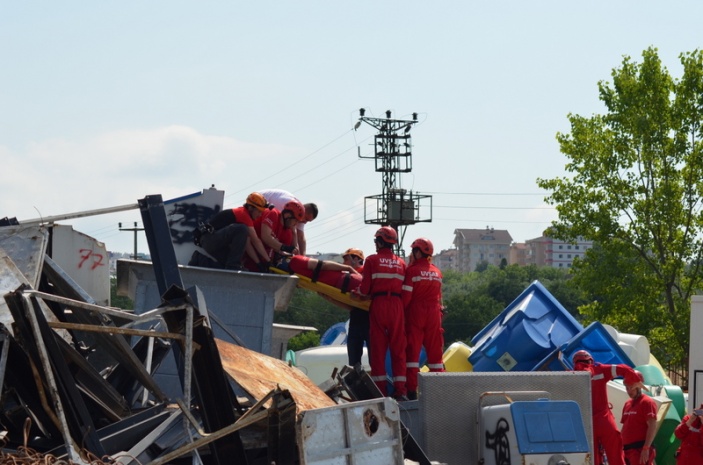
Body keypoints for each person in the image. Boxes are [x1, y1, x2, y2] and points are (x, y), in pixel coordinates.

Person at [352, 226, 407, 400]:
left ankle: (381, 392)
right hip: (397, 305)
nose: (375, 244)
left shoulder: (372, 260)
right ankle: (400, 390)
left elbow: (366, 288)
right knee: (398, 349)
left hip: (379, 304)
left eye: (376, 241)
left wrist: (358, 293)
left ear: (381, 241)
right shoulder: (401, 262)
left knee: (378, 349)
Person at [571, 349, 643, 465]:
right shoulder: (601, 370)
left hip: (586, 424)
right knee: (615, 453)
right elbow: (623, 369)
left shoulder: (570, 376)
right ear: (590, 360)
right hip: (604, 420)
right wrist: (634, 379)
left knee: (592, 457)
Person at [402, 238, 445, 401]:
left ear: (418, 252)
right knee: (435, 354)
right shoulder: (437, 272)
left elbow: (406, 298)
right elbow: (439, 297)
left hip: (416, 313)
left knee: (413, 355)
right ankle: (438, 391)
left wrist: (400, 316)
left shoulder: (412, 271)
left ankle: (412, 391)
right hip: (434, 313)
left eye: (413, 251)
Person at [188, 192, 272, 271]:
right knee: (242, 229)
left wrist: (259, 263)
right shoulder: (243, 214)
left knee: (229, 267)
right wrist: (268, 262)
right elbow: (256, 241)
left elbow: (248, 244)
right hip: (210, 239)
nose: (260, 215)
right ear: (250, 208)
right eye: (259, 211)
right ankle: (233, 265)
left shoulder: (245, 218)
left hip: (212, 242)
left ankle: (198, 259)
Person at [244, 199, 305, 271]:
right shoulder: (273, 213)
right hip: (246, 254)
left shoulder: (287, 232)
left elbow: (284, 253)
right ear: (287, 215)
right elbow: (266, 237)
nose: (295, 224)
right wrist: (284, 247)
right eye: (296, 220)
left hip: (261, 264)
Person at [260, 189, 318, 255]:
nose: (305, 222)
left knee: (288, 236)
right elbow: (293, 231)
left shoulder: (299, 213)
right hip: (258, 203)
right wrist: (285, 248)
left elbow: (300, 237)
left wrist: (302, 257)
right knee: (284, 234)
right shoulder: (286, 205)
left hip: (267, 211)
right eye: (306, 219)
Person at [620, 370, 657, 465]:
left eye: (631, 387)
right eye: (627, 388)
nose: (628, 391)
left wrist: (646, 448)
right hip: (626, 451)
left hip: (639, 450)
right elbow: (625, 427)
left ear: (639, 387)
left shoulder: (647, 402)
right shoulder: (627, 404)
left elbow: (652, 426)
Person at [341, 248, 369, 368]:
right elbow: (352, 305)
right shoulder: (349, 277)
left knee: (374, 358)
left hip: (369, 320)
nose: (344, 262)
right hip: (356, 318)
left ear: (356, 259)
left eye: (346, 259)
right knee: (353, 360)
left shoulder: (365, 273)